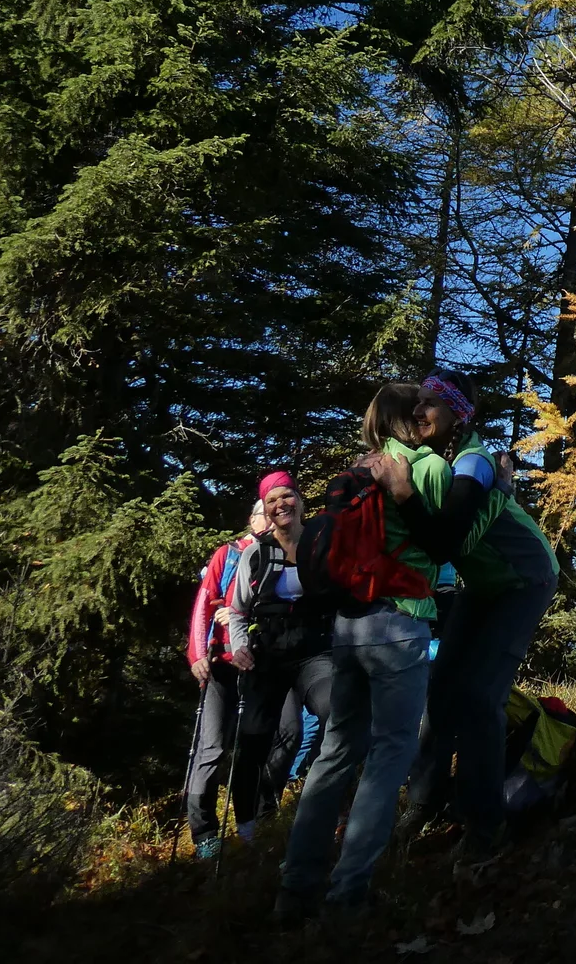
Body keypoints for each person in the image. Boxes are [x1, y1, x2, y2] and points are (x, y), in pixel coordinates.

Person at [274, 384, 446, 922]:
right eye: (417, 408)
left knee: (335, 752)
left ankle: (294, 888)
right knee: (390, 754)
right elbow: (447, 544)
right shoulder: (424, 467)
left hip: (348, 627)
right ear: (405, 418)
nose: (424, 414)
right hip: (400, 624)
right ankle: (348, 892)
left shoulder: (357, 470)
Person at [402, 370, 558, 870]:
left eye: (429, 403)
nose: (418, 411)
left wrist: (401, 493)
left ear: (457, 413)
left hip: (526, 579)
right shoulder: (441, 461)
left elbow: (446, 539)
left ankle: (486, 826)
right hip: (485, 585)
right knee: (443, 690)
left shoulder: (473, 461)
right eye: (416, 403)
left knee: (479, 697)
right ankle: (422, 805)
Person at [223, 472, 334, 841]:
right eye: (272, 501)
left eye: (287, 497)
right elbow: (237, 611)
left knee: (334, 710)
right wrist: (237, 648)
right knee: (254, 737)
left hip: (313, 652)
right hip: (266, 656)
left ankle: (326, 804)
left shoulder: (321, 543)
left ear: (301, 501)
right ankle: (248, 826)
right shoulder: (256, 554)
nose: (280, 505)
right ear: (266, 510)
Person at [185, 496, 266, 860]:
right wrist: (197, 655)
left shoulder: (285, 554)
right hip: (220, 663)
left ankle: (254, 822)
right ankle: (203, 833)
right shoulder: (229, 553)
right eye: (262, 513)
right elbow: (204, 602)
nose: (268, 519)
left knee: (262, 743)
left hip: (260, 664)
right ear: (251, 518)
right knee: (213, 748)